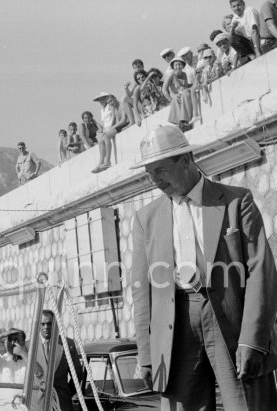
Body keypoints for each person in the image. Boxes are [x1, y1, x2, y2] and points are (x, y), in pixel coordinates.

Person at [130, 124, 277, 410]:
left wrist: (253, 340)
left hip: (231, 320)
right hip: (175, 329)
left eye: (160, 170)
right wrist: (146, 355)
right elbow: (142, 292)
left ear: (186, 160)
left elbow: (261, 271)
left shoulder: (237, 201)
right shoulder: (145, 220)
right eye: (149, 174)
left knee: (247, 404)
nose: (155, 181)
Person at [0, 328, 44, 411]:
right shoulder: (0, 359)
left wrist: (23, 353)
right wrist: (2, 335)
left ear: (23, 342)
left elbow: (39, 373)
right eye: (10, 340)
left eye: (16, 340)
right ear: (5, 342)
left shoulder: (29, 360)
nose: (12, 343)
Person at [37, 310, 83, 411]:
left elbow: (78, 374)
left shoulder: (68, 344)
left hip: (62, 402)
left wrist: (66, 393)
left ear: (55, 324)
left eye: (49, 323)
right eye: (42, 324)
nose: (46, 327)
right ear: (38, 325)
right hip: (37, 403)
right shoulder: (30, 347)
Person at [163, 57, 199, 131]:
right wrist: (170, 100)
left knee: (186, 93)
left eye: (179, 64)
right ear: (173, 67)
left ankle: (185, 121)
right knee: (181, 96)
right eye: (176, 65)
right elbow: (164, 89)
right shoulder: (171, 74)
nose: (178, 66)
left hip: (182, 94)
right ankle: (183, 122)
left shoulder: (184, 74)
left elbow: (184, 87)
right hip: (176, 96)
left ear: (182, 66)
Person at [92, 92, 116, 172]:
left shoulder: (110, 106)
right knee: (100, 140)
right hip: (106, 129)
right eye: (99, 100)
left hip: (113, 127)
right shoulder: (102, 110)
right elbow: (104, 122)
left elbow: (114, 116)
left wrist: (111, 127)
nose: (101, 101)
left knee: (106, 138)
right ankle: (101, 162)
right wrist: (105, 130)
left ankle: (108, 160)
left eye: (102, 99)